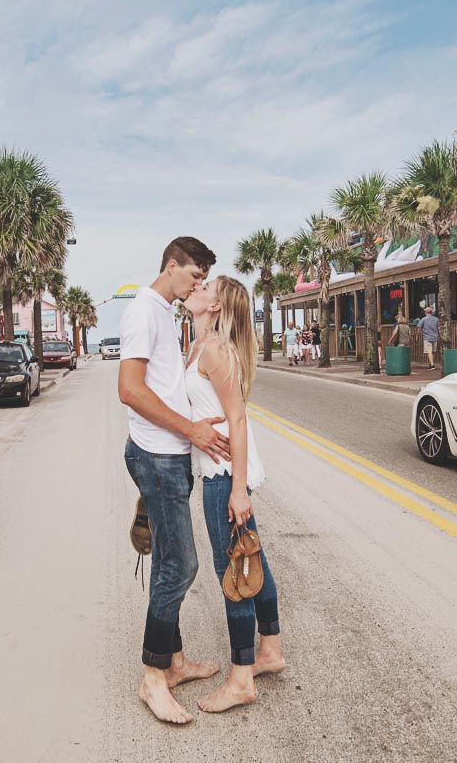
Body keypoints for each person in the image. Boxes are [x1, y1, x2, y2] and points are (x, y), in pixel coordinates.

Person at [118, 236, 231, 725]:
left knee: (167, 562)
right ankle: (152, 676)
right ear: (171, 265)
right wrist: (192, 431)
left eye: (203, 280)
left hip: (171, 457)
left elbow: (169, 381)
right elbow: (129, 390)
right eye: (194, 277)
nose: (198, 285)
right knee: (181, 567)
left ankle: (175, 662)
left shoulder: (166, 311)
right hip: (158, 457)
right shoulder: (143, 311)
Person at [183, 276, 285, 713]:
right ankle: (270, 651)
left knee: (233, 573)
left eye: (208, 287)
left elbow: (238, 420)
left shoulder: (215, 351)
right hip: (217, 471)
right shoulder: (199, 344)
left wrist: (238, 488)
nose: (198, 287)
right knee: (250, 558)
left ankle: (242, 677)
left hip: (223, 475)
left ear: (217, 307)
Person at [419, 305, 440, 369]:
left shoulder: (424, 319)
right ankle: (431, 363)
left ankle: (432, 364)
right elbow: (439, 327)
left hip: (427, 337)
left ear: (426, 312)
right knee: (433, 351)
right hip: (435, 336)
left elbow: (419, 327)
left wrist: (418, 334)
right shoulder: (436, 319)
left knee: (429, 351)